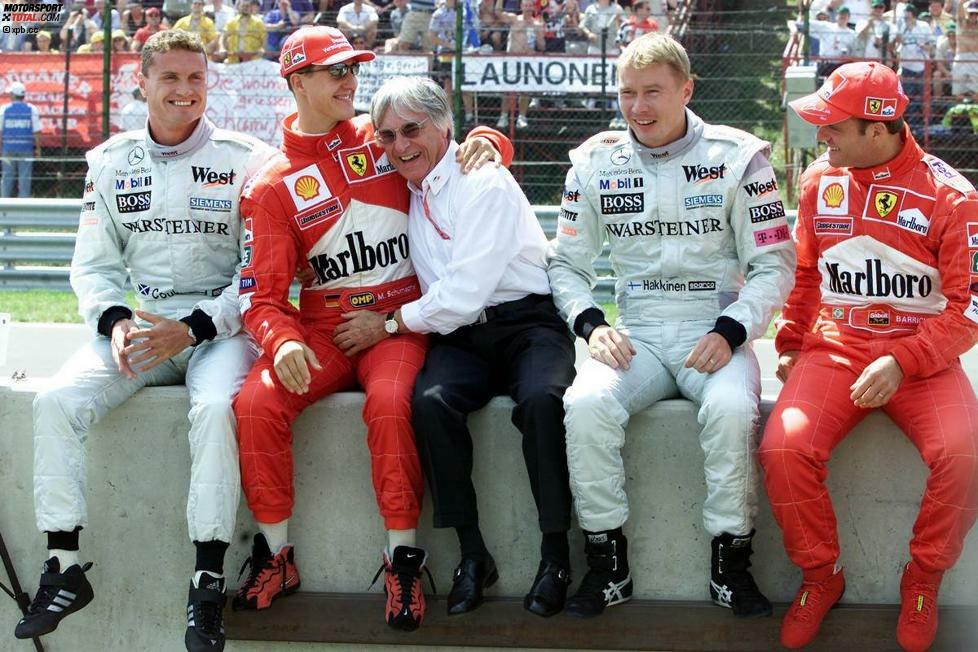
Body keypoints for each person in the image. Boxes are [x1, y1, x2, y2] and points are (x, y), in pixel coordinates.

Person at [230, 26, 511, 631]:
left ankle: (402, 560)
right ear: (296, 82)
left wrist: (488, 141)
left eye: (352, 69)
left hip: (399, 322)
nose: (349, 82)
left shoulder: (382, 137)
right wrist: (280, 343)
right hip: (323, 329)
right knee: (255, 403)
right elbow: (260, 296)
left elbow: (450, 150)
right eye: (334, 72)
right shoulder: (271, 184)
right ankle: (276, 555)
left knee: (388, 403)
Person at [12, 30, 275, 652]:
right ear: (143, 84)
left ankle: (206, 581)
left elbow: (259, 273)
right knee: (56, 401)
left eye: (196, 79)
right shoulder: (107, 161)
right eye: (172, 79)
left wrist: (195, 327)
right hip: (144, 329)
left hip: (221, 331)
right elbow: (94, 268)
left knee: (213, 409)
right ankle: (64, 566)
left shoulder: (249, 159)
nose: (186, 92)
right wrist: (118, 323)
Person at [547, 32, 795, 619]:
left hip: (715, 328)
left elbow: (773, 264)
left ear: (686, 89)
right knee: (585, 405)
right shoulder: (593, 160)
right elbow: (566, 263)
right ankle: (608, 566)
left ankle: (731, 567)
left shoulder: (739, 156)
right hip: (635, 331)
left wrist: (733, 330)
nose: (639, 107)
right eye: (627, 93)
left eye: (653, 91)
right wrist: (588, 323)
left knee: (736, 410)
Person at [764, 60, 978, 652]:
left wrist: (903, 361)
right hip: (836, 350)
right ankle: (821, 575)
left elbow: (970, 310)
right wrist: (788, 343)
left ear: (877, 128)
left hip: (922, 360)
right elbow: (806, 274)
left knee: (966, 452)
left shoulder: (951, 196)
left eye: (832, 127)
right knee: (783, 447)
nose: (820, 137)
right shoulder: (816, 183)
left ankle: (923, 580)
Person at [363, 74, 577, 620]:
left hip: (525, 322)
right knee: (430, 402)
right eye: (386, 136)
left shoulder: (484, 181)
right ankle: (473, 556)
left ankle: (555, 555)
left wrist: (388, 324)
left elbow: (461, 294)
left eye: (412, 129)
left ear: (443, 126)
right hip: (461, 336)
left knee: (541, 401)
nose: (400, 145)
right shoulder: (403, 181)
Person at [1, 82, 41, 198]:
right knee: (25, 178)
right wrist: (38, 149)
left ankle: (4, 204)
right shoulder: (31, 109)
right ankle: (24, 205)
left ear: (13, 95)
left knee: (7, 176)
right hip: (26, 149)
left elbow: (0, 131)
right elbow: (36, 132)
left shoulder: (4, 109)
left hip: (8, 149)